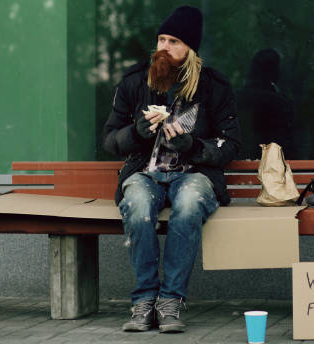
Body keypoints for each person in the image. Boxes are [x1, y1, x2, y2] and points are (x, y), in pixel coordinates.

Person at [102, 5, 240, 333]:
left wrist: (192, 146)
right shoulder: (136, 81)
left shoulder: (214, 87)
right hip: (145, 173)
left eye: (174, 41)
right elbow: (109, 140)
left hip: (195, 175)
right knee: (136, 205)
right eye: (161, 39)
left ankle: (170, 301)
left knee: (190, 203)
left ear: (190, 49)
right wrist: (136, 132)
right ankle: (144, 301)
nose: (163, 46)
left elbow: (231, 145)